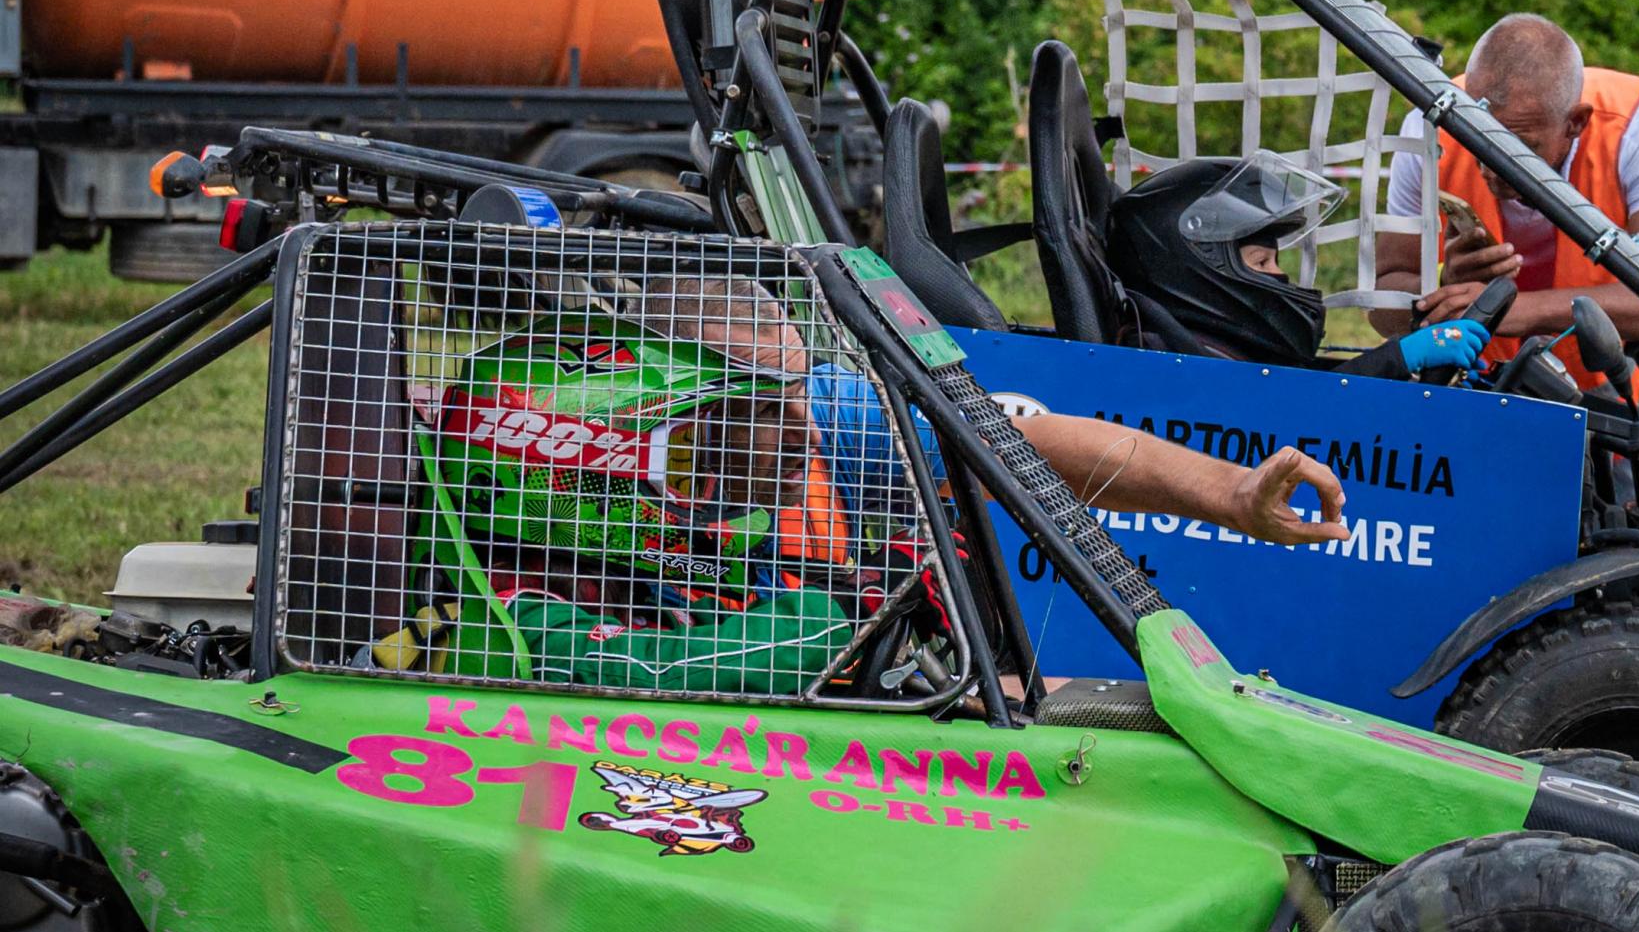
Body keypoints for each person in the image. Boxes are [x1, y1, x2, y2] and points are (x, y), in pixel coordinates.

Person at [403, 276, 1350, 693]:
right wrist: (861, 608)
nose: (804, 426)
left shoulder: (810, 422)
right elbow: (729, 659)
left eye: (796, 390)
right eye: (760, 407)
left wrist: (1232, 495)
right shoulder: (512, 610)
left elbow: (1016, 442)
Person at [1373, 13, 1639, 420]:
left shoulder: (1633, 125)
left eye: (1520, 148)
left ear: (1576, 122)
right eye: (1476, 140)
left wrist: (1518, 310)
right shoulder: (1428, 127)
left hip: (1629, 391)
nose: (1491, 167)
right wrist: (1443, 284)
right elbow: (1383, 308)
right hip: (1484, 391)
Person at [1105, 152, 1492, 380]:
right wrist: (1399, 358)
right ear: (1194, 272)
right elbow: (1282, 413)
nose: (1280, 276)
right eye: (1262, 261)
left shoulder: (1222, 350)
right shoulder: (1164, 361)